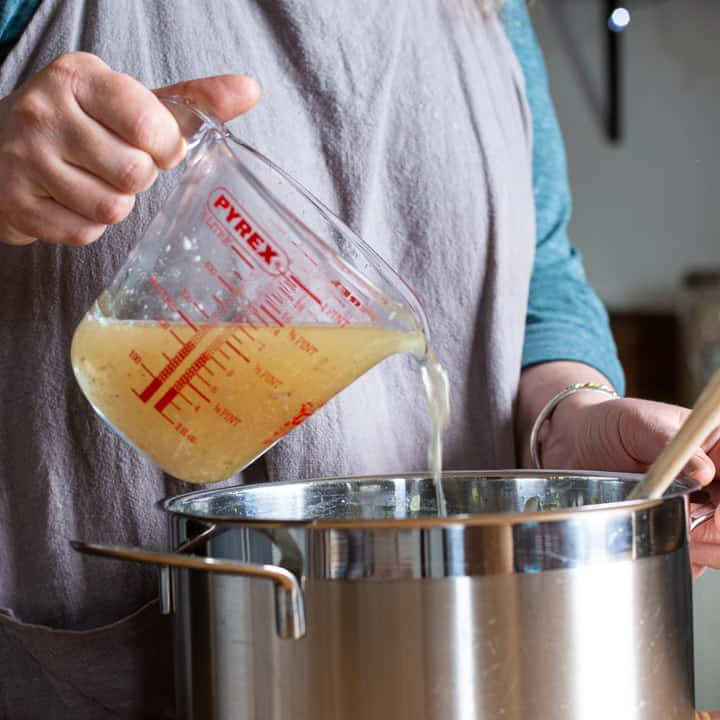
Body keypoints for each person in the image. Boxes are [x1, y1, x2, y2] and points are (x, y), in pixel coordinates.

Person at [1, 0, 719, 717]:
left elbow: (541, 279)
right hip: (119, 670)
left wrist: (570, 417)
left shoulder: (496, 15)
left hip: (470, 667)